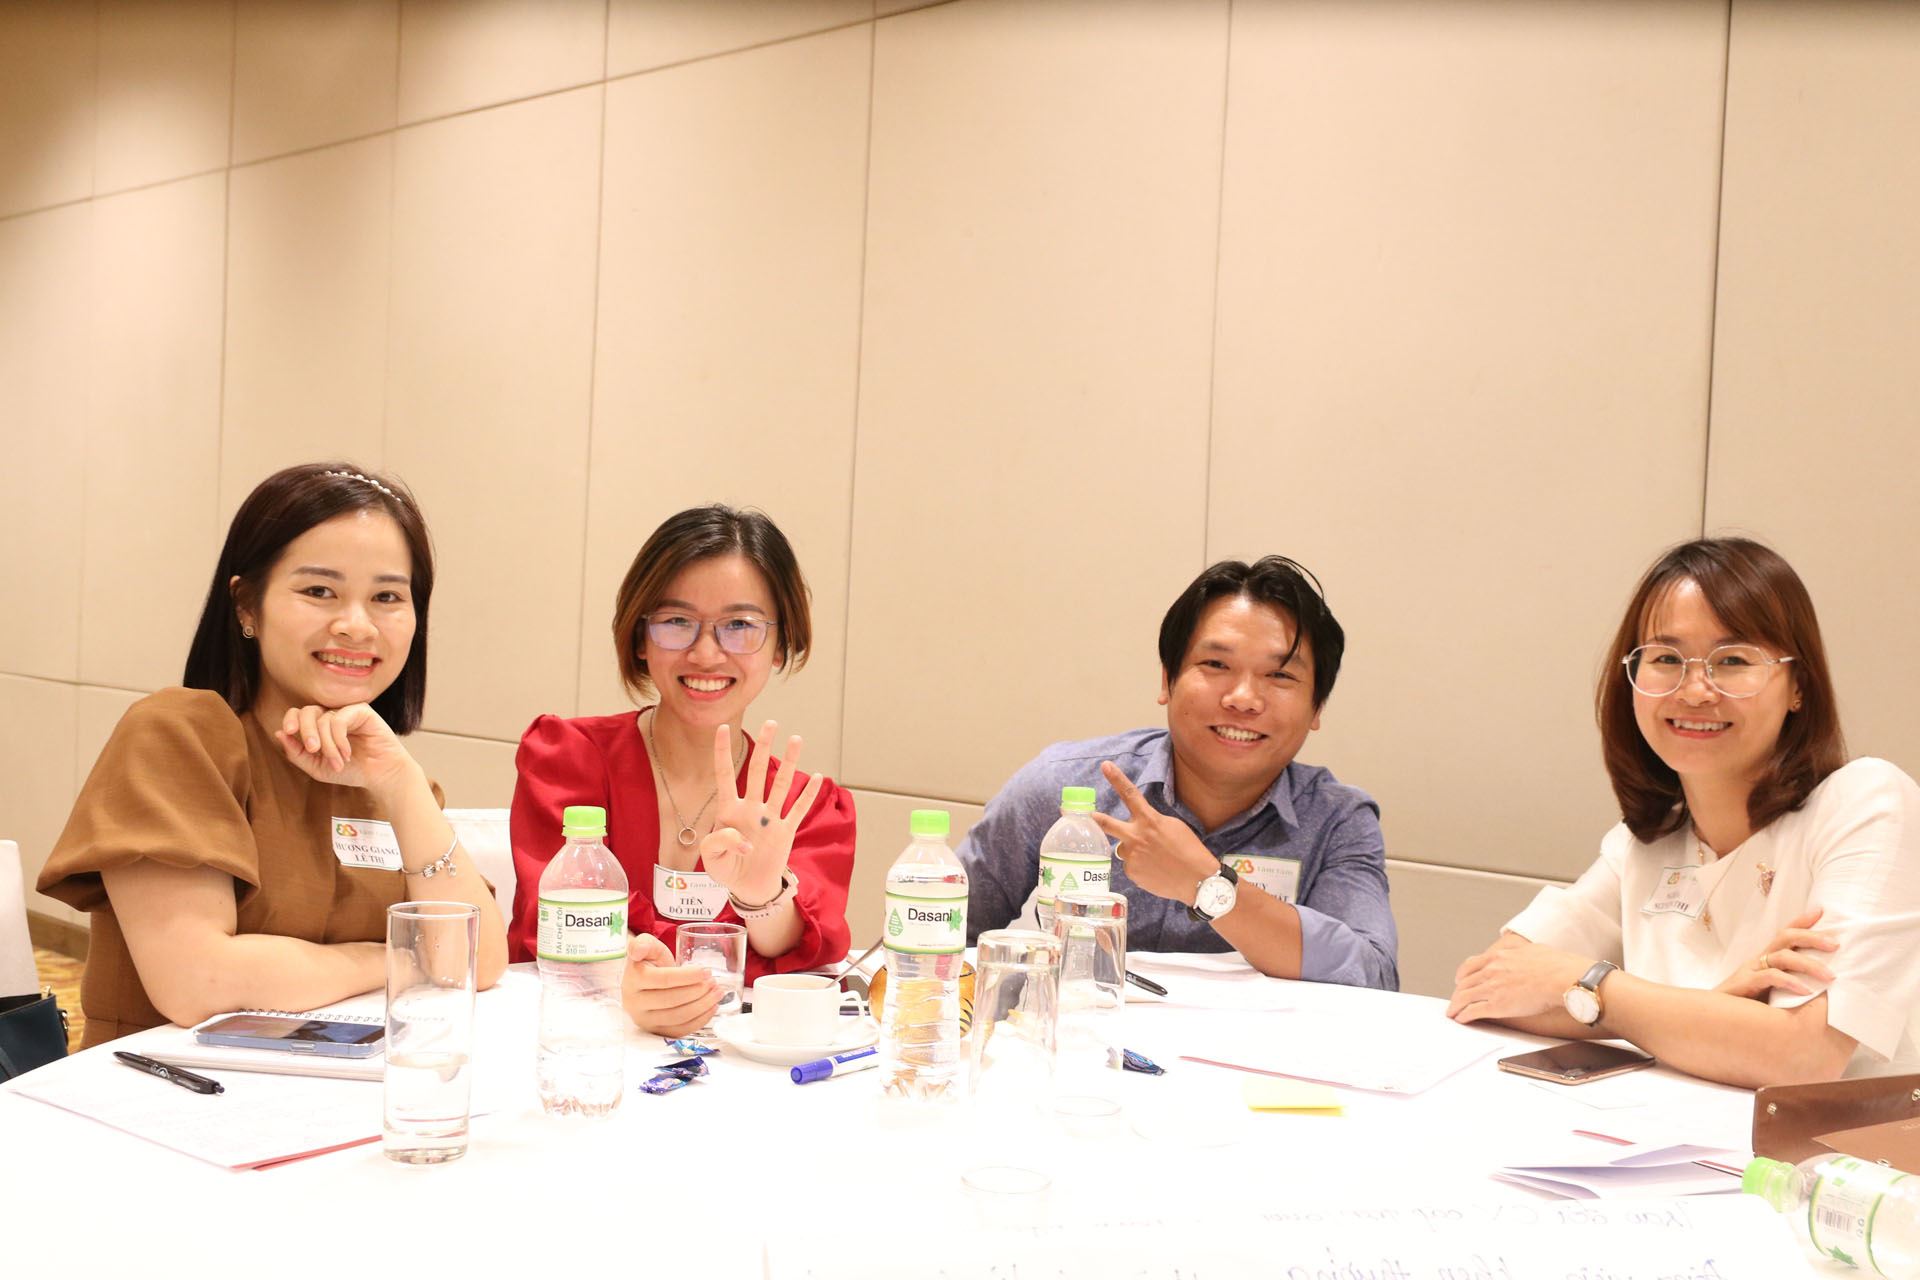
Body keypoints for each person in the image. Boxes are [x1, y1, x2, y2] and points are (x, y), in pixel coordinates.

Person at [38, 463, 508, 1048]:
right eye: (319, 591)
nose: (356, 626)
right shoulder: (179, 735)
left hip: (340, 1085)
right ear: (246, 606)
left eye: (387, 596)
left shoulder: (386, 775)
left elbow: (477, 961)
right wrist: (404, 958)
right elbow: (199, 983)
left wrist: (401, 783)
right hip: (176, 1086)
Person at [1448, 537, 1920, 1086]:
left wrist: (1594, 988)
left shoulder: (1866, 803)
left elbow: (1804, 1057)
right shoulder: (1646, 842)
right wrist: (1711, 1007)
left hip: (1845, 1142)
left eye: (1733, 661)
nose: (1695, 691)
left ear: (1799, 687)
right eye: (1666, 659)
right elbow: (1485, 989)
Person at [958, 557, 1397, 988]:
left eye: (1280, 674)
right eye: (1217, 665)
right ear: (1167, 680)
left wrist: (1204, 883)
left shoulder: (1337, 820)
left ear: (1317, 707)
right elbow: (939, 936)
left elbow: (1373, 976)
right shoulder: (1062, 785)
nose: (1244, 698)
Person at [509, 505, 855, 1038]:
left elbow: (798, 952)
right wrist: (623, 977)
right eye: (676, 622)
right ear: (640, 638)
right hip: (576, 1045)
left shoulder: (800, 807)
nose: (706, 653)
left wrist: (762, 896)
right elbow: (554, 919)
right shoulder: (568, 759)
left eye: (739, 625)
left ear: (780, 644)